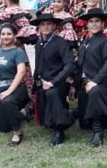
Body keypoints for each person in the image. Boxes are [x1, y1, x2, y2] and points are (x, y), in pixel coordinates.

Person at [32, 13, 77, 146]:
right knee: (43, 112)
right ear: (39, 27)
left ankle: (59, 130)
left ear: (54, 26)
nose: (45, 27)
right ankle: (68, 114)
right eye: (43, 24)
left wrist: (53, 82)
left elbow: (70, 64)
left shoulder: (60, 42)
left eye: (49, 24)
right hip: (43, 83)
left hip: (58, 83)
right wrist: (36, 82)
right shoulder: (39, 43)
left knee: (52, 93)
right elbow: (39, 64)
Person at [76, 8, 107, 147]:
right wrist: (74, 85)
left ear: (102, 24)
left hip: (100, 84)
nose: (94, 24)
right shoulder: (84, 42)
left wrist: (95, 81)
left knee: (95, 93)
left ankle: (98, 132)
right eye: (91, 21)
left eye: (97, 21)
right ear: (87, 24)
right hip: (84, 84)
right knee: (83, 125)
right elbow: (80, 65)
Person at [0, 24, 30, 146]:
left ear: (14, 36)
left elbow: (21, 72)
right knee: (4, 128)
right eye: (3, 34)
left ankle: (17, 133)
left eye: (9, 34)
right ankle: (24, 113)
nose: (5, 37)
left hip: (16, 88)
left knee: (8, 101)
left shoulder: (18, 52)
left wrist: (9, 91)